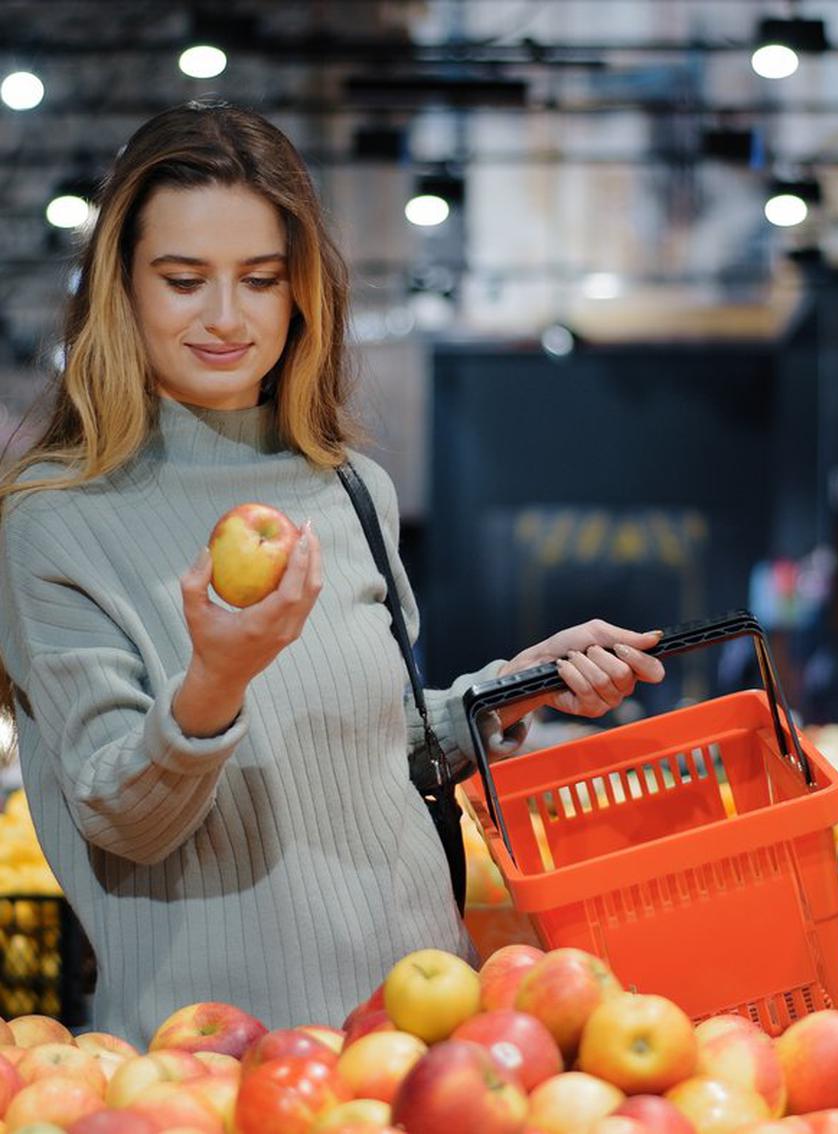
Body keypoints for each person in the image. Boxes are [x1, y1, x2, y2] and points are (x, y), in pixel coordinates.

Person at [0, 100, 665, 1048]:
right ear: (124, 290)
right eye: (184, 280)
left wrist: (514, 687)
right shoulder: (56, 521)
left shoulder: (350, 489)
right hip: (220, 1062)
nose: (226, 317)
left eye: (260, 280)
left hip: (417, 1034)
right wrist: (216, 680)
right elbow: (120, 817)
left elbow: (376, 750)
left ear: (301, 292)